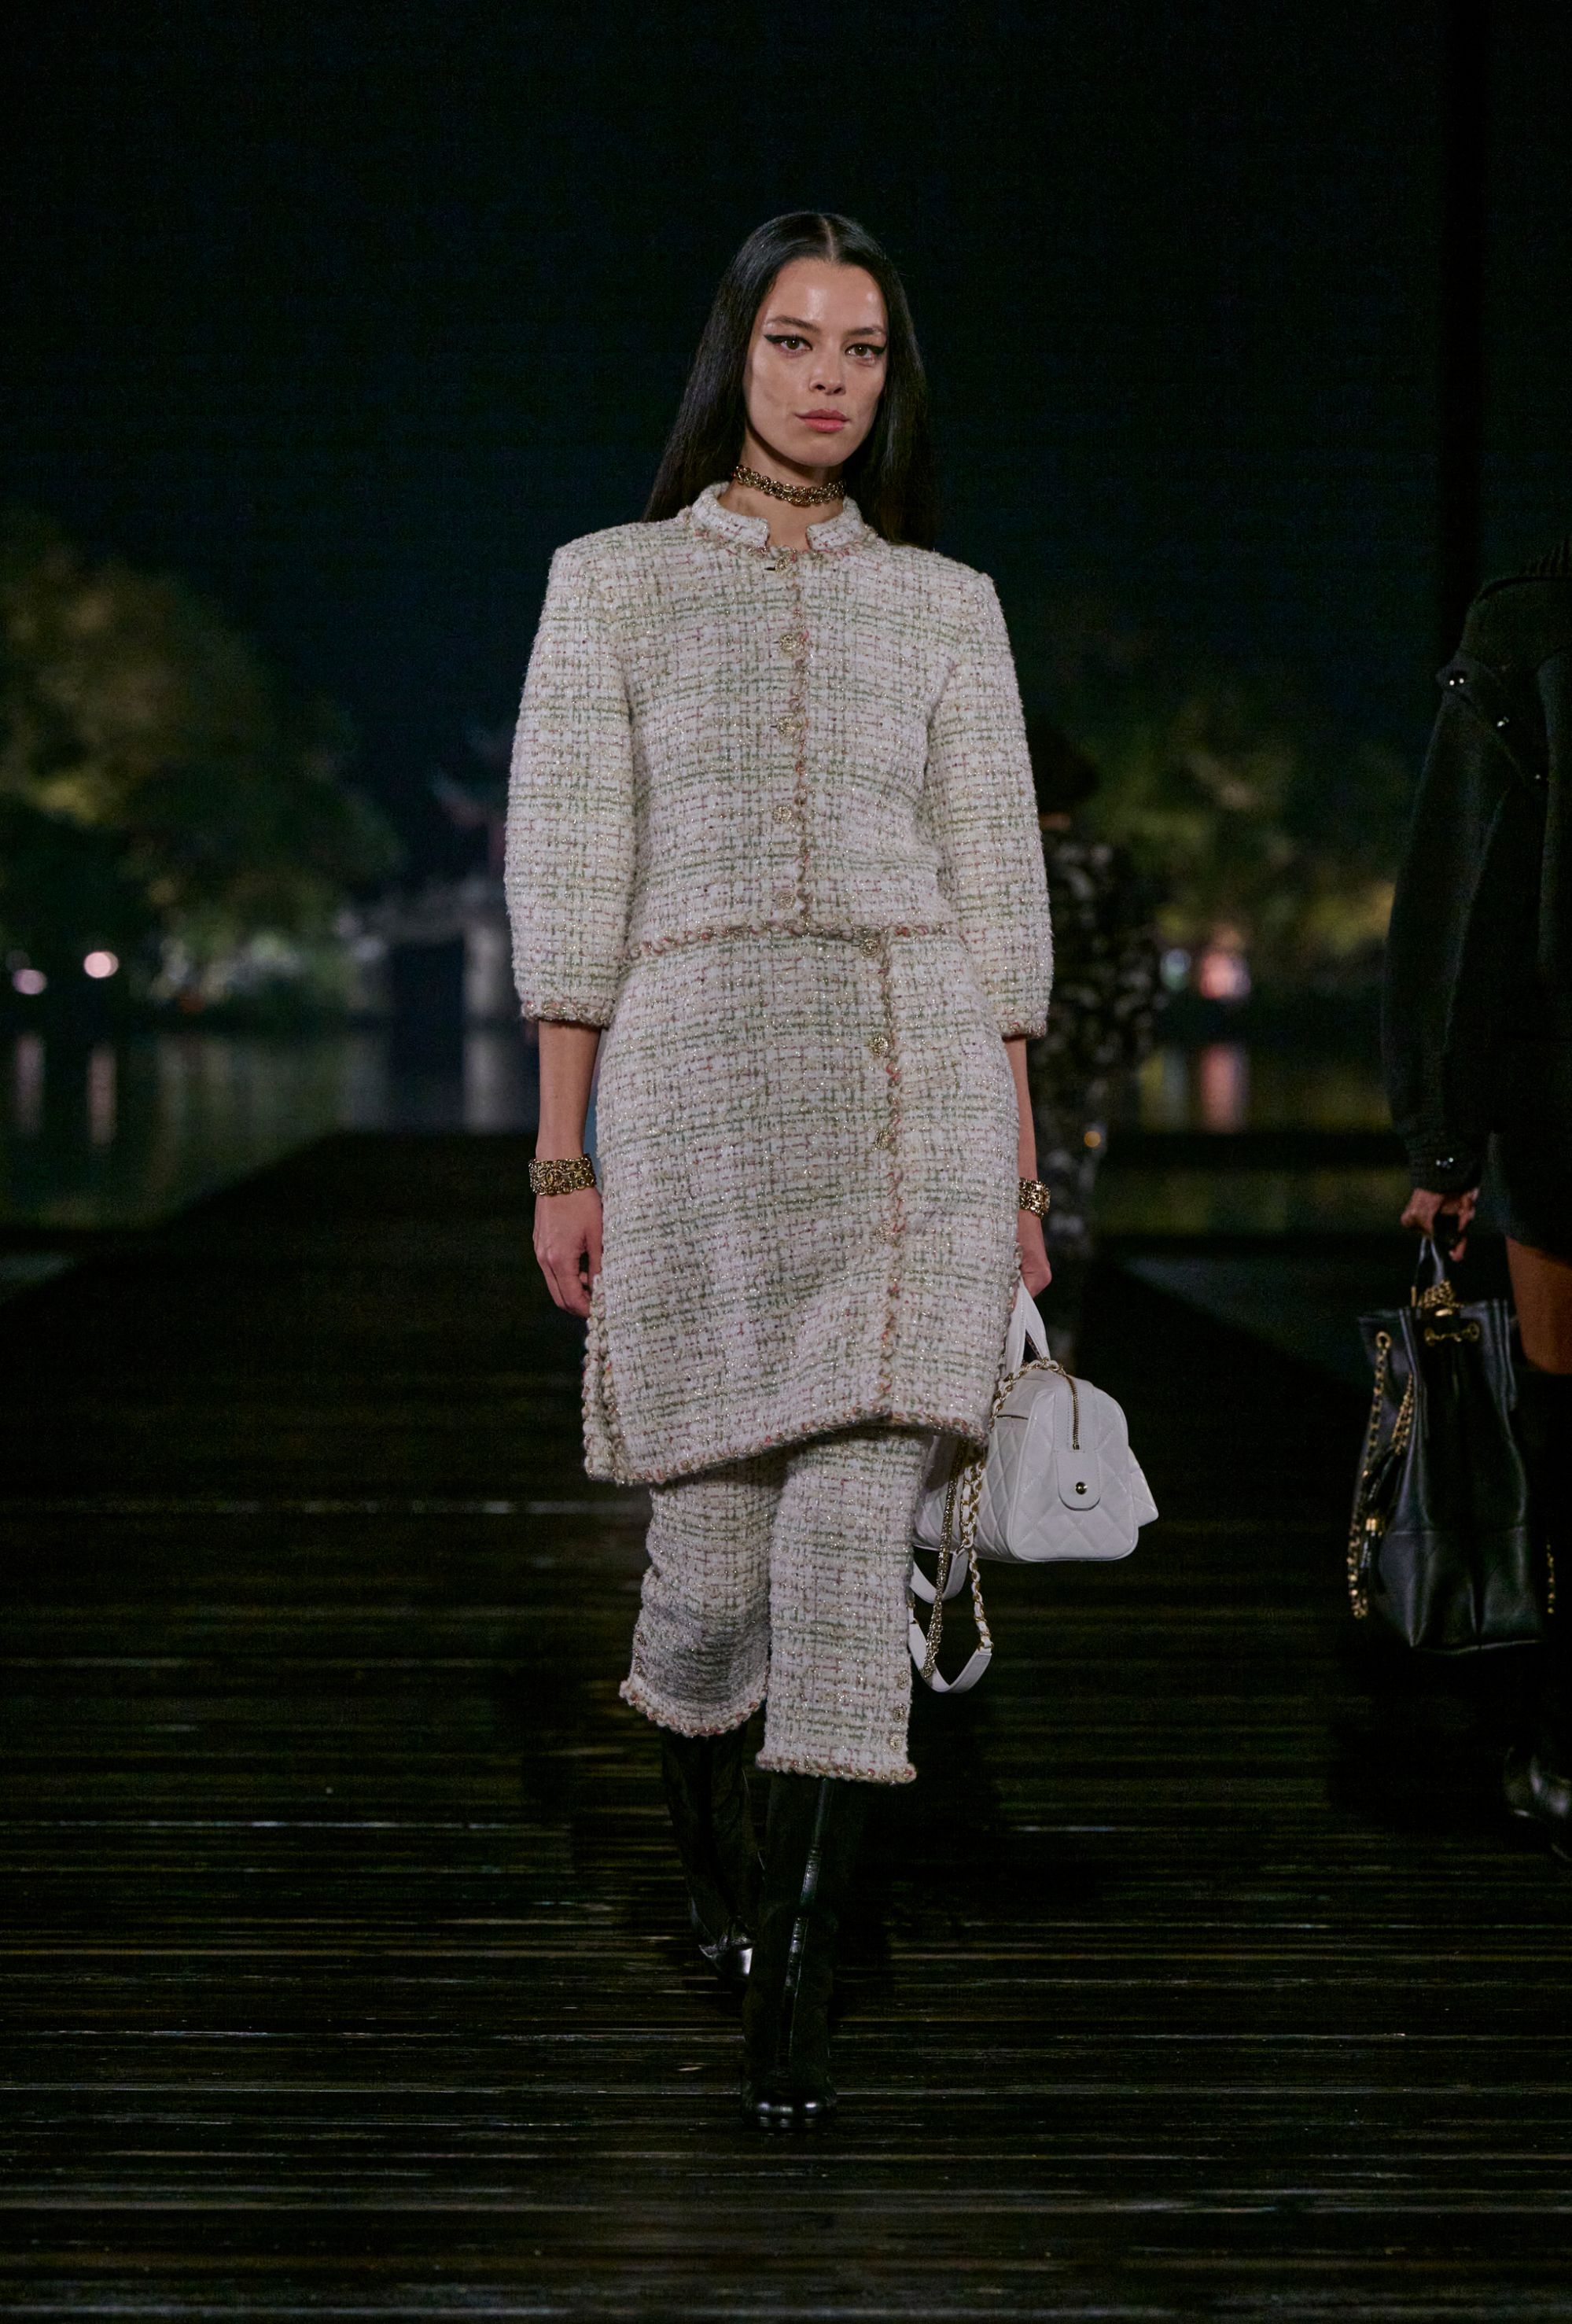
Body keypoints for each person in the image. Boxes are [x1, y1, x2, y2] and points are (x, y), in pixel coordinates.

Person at [505, 212, 1055, 2124]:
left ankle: (795, 1995)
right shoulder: (611, 585)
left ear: (893, 380)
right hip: (694, 1093)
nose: (830, 380)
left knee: (845, 1545)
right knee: (710, 1571)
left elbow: (996, 889)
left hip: (912, 1082)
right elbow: (571, 872)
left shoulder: (949, 605)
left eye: (864, 349)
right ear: (733, 356)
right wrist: (560, 1154)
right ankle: (722, 1881)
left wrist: (1015, 1177)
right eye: (796, 341)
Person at [1383, 535, 1572, 1854]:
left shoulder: (1532, 621)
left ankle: (1561, 1746)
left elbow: (1459, 897)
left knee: (1561, 1425)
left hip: (1561, 1103)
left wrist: (1441, 1145)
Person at [1024, 718, 1163, 1361]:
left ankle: (1010, 1359)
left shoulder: (1002, 865)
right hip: (1081, 1065)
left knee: (1010, 1197)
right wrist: (1119, 1053)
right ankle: (1056, 1355)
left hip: (1002, 1060)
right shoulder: (1106, 863)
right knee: (1066, 1199)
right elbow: (1137, 976)